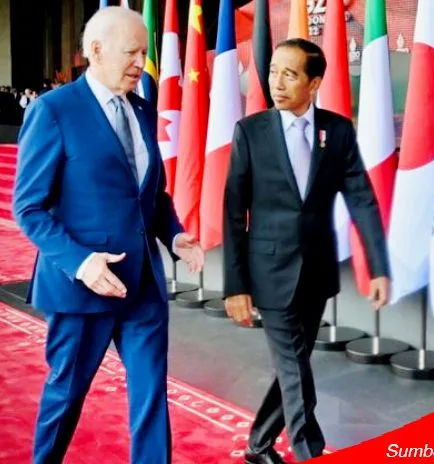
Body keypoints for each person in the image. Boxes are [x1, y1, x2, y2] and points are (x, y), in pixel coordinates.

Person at [12, 7, 204, 464]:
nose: (141, 62)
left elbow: (151, 195)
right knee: (66, 396)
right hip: (82, 288)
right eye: (131, 52)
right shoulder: (54, 111)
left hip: (143, 287)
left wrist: (175, 236)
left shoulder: (143, 109)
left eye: (144, 52)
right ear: (96, 50)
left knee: (151, 397)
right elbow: (29, 208)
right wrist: (82, 262)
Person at [223, 38, 391, 463]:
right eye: (273, 71)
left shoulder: (337, 131)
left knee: (293, 365)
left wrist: (378, 266)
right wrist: (235, 285)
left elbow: (362, 199)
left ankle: (258, 445)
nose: (276, 82)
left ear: (314, 83)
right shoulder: (251, 131)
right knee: (295, 368)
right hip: (269, 271)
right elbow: (233, 213)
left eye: (290, 74)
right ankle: (308, 450)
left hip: (316, 270)